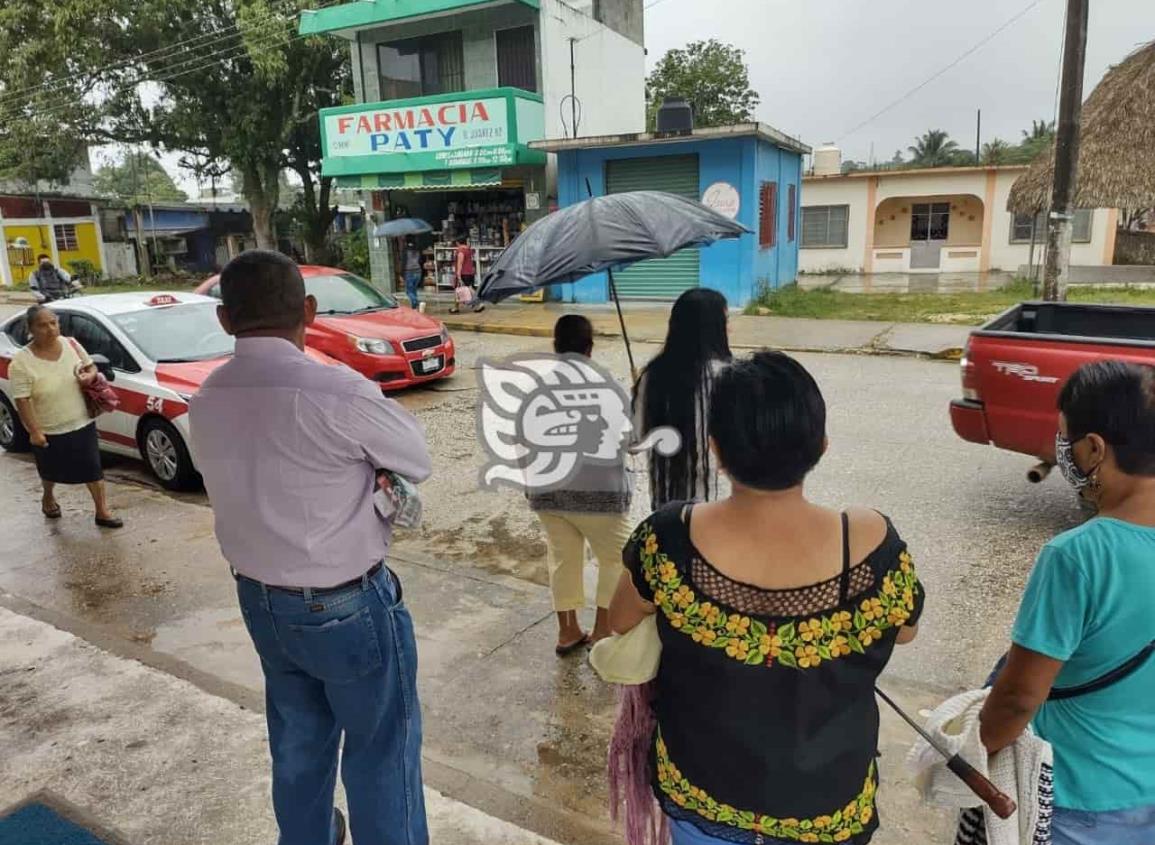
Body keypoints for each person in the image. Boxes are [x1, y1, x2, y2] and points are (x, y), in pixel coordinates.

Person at [610, 351, 924, 845]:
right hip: (827, 808)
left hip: (702, 795)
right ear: (820, 445)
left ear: (715, 448)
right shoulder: (870, 540)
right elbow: (904, 631)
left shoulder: (667, 537)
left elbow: (619, 620)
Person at [189, 250, 433, 845]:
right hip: (345, 605)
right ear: (308, 310)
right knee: (382, 750)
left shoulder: (206, 397)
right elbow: (417, 460)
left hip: (261, 603)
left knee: (298, 743)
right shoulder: (337, 390)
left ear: (225, 320)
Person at [980, 360, 1155, 845]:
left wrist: (971, 752)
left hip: (1077, 799)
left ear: (1094, 448)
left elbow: (1017, 698)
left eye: (1066, 439)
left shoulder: (1078, 556)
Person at [531, 315, 633, 655]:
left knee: (563, 559)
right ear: (590, 346)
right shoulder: (606, 385)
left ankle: (568, 631)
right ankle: (602, 631)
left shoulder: (537, 388)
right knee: (617, 557)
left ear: (556, 346)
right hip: (599, 494)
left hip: (548, 493)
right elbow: (630, 440)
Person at [8, 305, 122, 528]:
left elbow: (91, 368)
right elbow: (22, 400)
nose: (50, 329)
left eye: (53, 322)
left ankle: (102, 511)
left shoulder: (71, 344)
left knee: (93, 468)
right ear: (31, 329)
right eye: (43, 325)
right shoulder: (21, 363)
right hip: (49, 428)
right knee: (50, 470)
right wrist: (35, 432)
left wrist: (88, 378)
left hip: (81, 420)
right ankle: (48, 496)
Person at [632, 288, 732, 509]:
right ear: (713, 327)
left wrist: (638, 395)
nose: (729, 328)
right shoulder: (730, 376)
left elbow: (637, 436)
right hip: (717, 498)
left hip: (667, 498)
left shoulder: (653, 375)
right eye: (725, 320)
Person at [450, 235, 484, 314]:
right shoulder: (468, 249)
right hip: (470, 272)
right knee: (459, 289)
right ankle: (455, 307)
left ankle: (479, 303)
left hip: (463, 272)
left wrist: (458, 274)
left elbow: (460, 262)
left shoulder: (461, 250)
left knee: (468, 289)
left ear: (458, 243)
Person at [403, 237, 423, 309]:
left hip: (409, 272)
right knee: (414, 290)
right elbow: (420, 260)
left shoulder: (406, 250)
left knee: (409, 291)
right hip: (418, 271)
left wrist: (402, 273)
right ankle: (414, 307)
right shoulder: (417, 249)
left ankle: (416, 302)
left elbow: (404, 262)